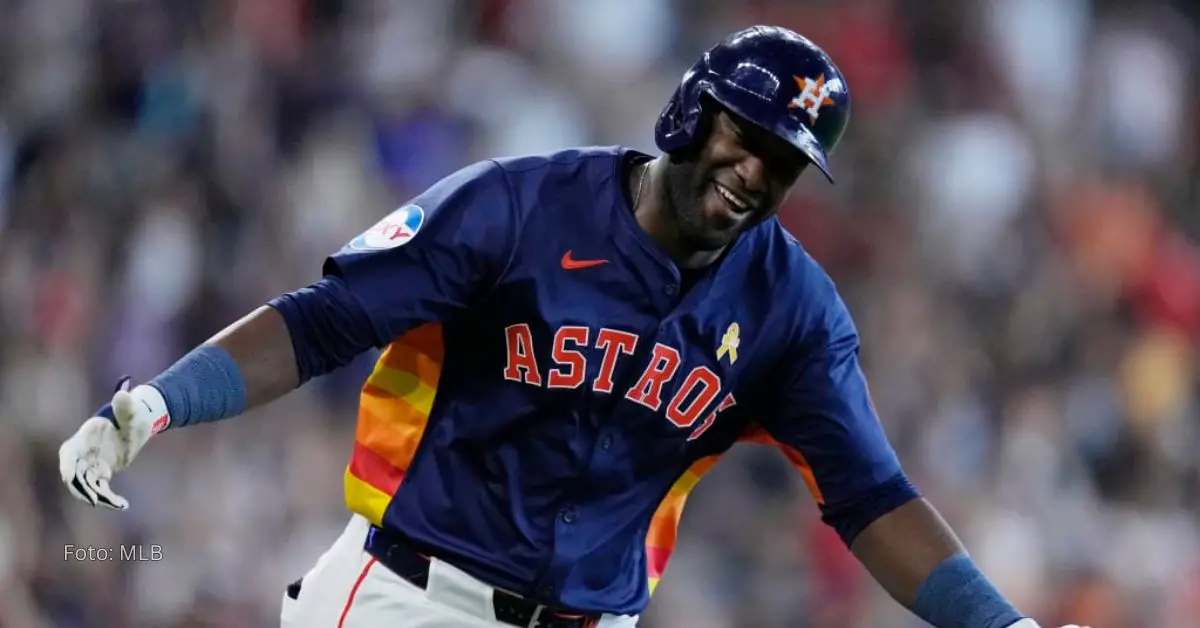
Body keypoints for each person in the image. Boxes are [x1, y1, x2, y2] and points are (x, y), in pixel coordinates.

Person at [58, 25, 1088, 628]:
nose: (754, 174)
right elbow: (324, 322)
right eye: (747, 137)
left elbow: (868, 494)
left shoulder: (791, 307)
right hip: (412, 601)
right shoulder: (519, 209)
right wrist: (157, 400)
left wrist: (1001, 626)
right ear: (692, 113)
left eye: (783, 164)